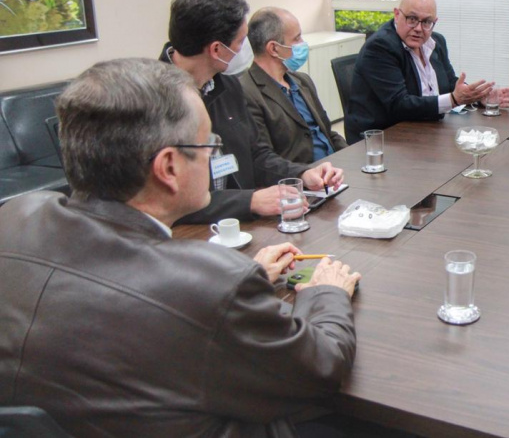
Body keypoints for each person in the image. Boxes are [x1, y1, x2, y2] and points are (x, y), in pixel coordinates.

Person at [0, 59, 361, 437]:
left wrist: (235, 283)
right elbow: (322, 369)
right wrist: (325, 294)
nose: (213, 155)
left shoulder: (16, 217)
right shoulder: (211, 282)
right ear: (169, 166)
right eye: (210, 144)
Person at [159, 0, 343, 224]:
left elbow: (257, 155)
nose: (246, 49)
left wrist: (302, 174)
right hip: (190, 236)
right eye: (241, 41)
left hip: (242, 226)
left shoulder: (228, 88)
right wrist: (250, 201)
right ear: (217, 49)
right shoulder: (153, 101)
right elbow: (165, 202)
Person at [345, 0, 509, 143]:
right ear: (397, 15)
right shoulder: (381, 47)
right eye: (412, 19)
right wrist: (453, 100)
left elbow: (449, 83)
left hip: (422, 131)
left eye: (426, 22)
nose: (418, 28)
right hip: (382, 139)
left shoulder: (436, 42)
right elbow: (399, 104)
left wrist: (479, 96)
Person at [240, 7, 347, 165]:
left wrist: (353, 158)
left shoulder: (302, 81)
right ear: (274, 48)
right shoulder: (246, 92)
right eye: (297, 39)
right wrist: (307, 174)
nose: (303, 44)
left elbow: (328, 132)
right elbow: (264, 159)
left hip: (334, 171)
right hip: (301, 180)